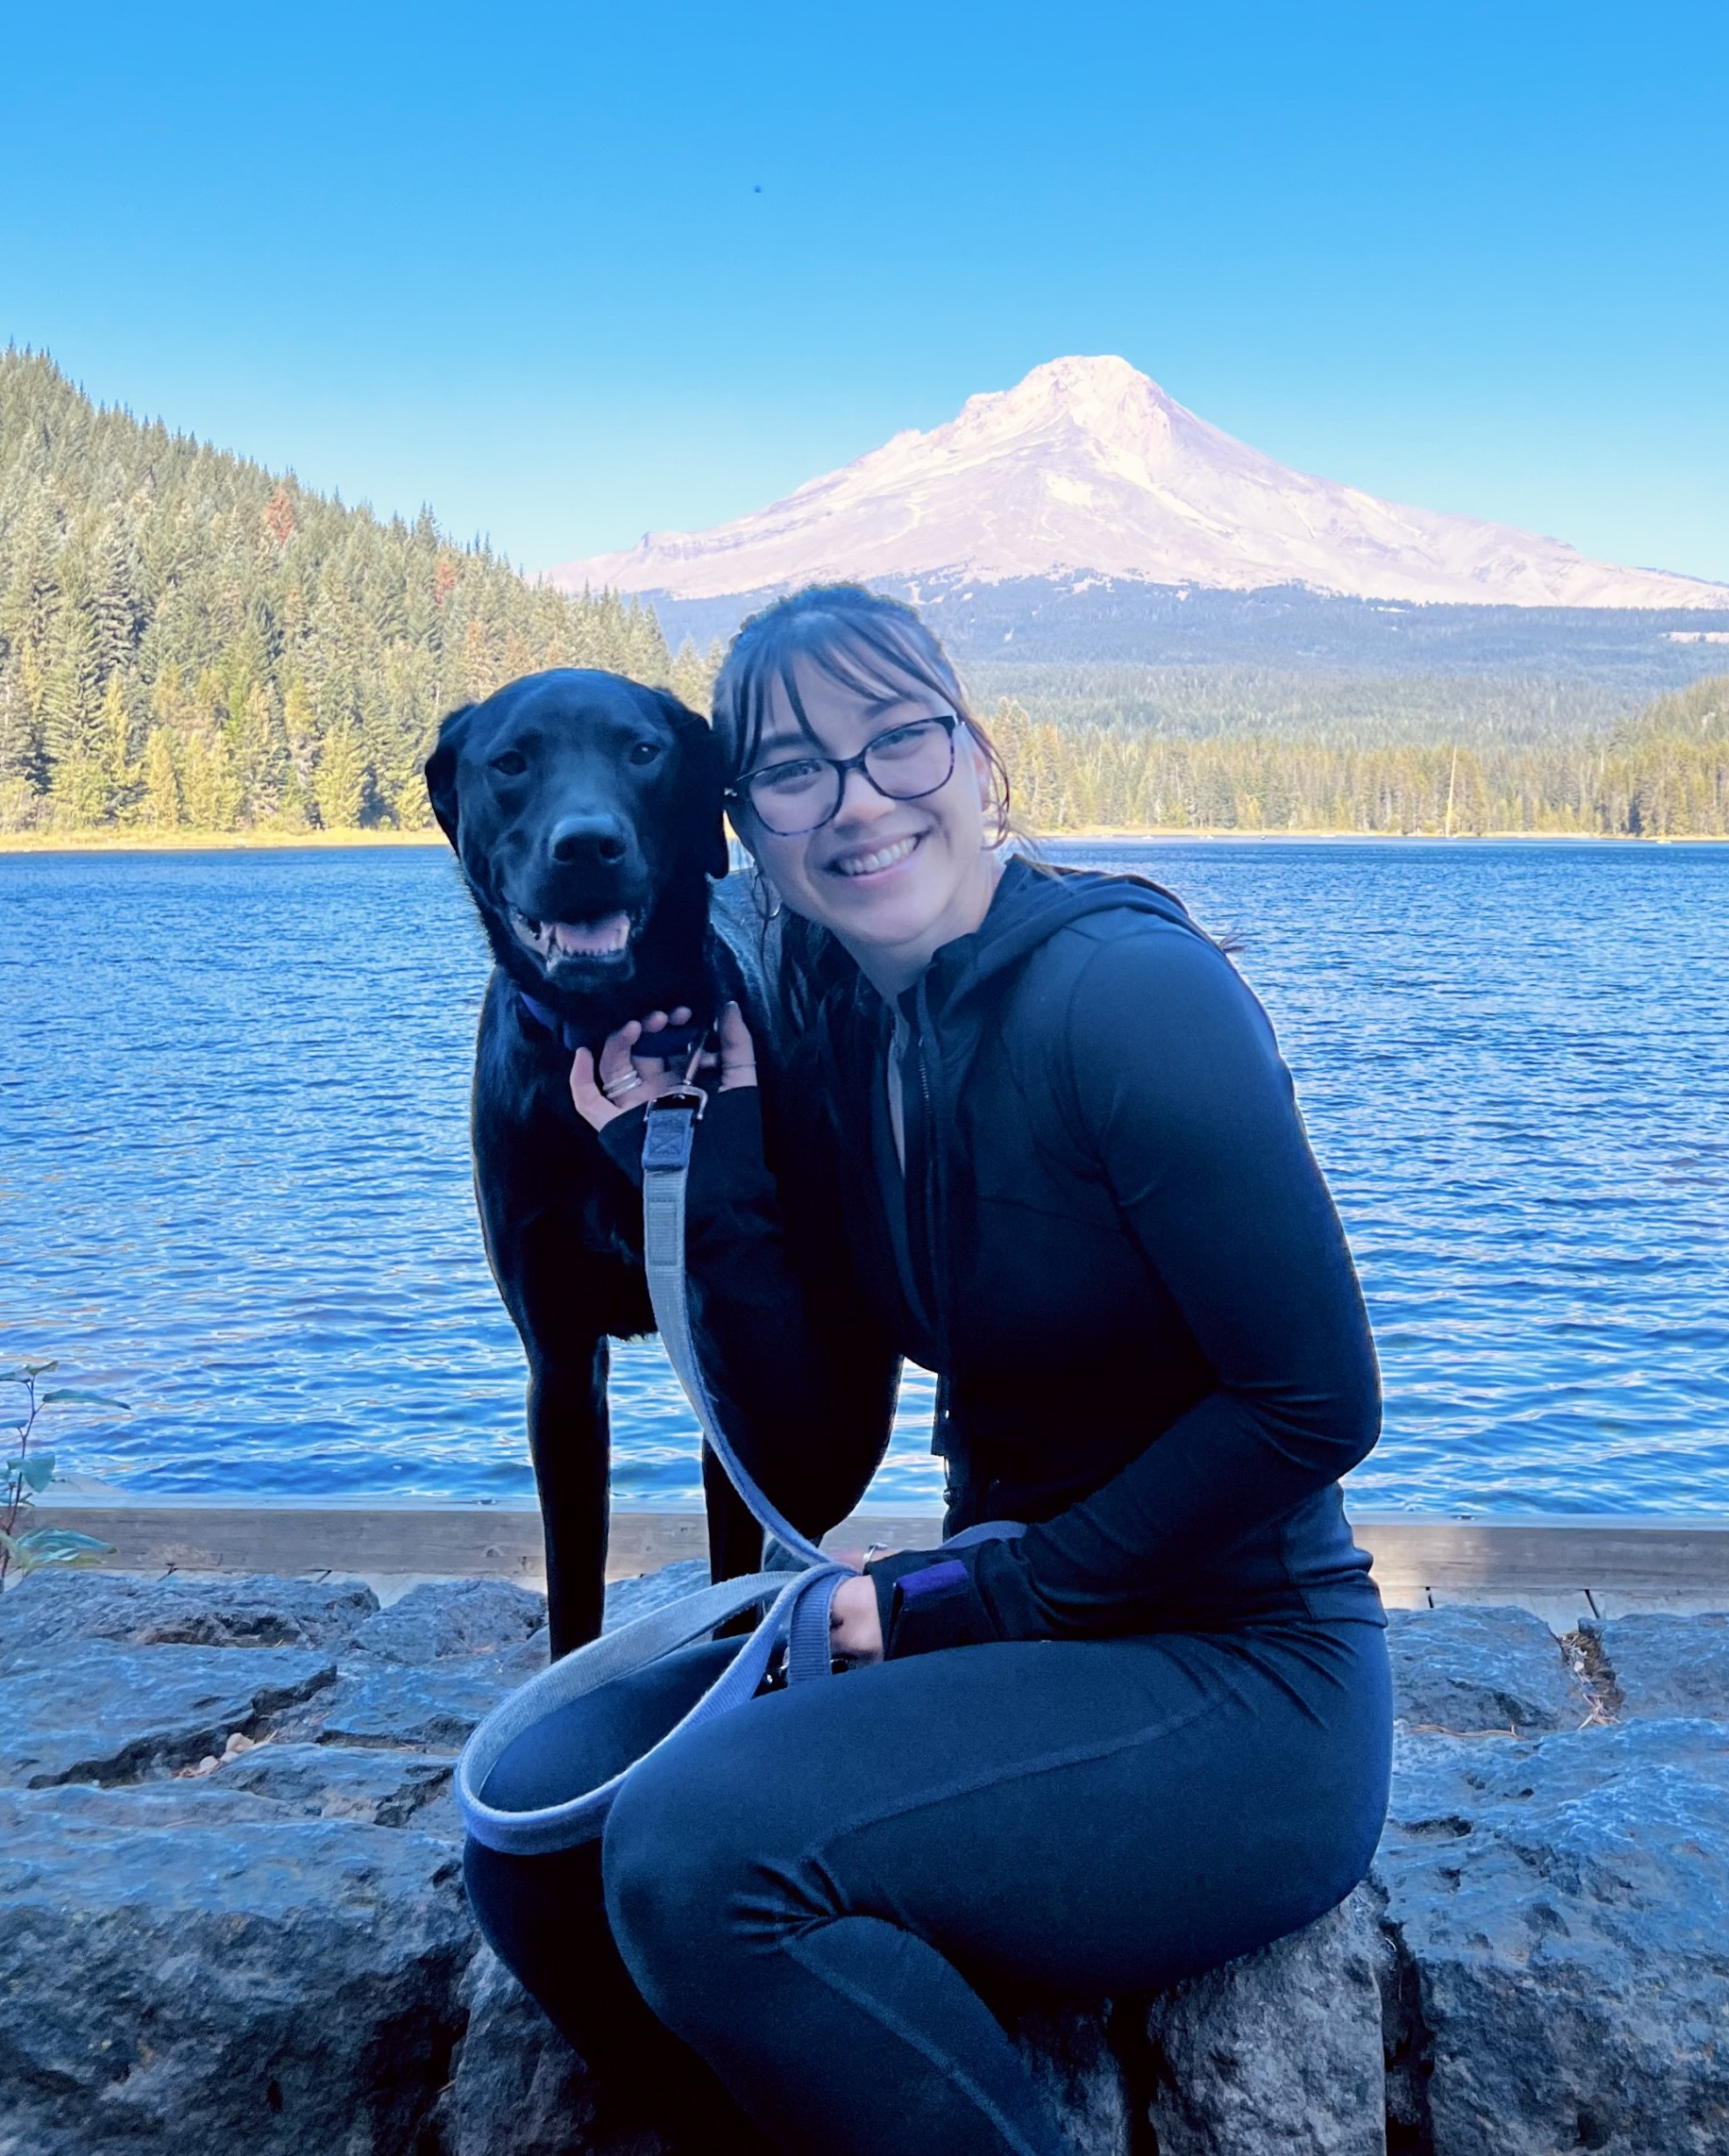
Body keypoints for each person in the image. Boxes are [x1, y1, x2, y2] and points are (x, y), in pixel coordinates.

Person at [462, 584, 1393, 2156]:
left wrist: (961, 1596)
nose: (860, 798)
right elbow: (815, 1466)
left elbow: (1317, 1407)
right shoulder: (833, 1014)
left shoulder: (1128, 997)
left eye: (898, 740)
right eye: (799, 769)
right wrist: (719, 1169)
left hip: (1239, 1673)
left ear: (974, 755)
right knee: (530, 1840)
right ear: (744, 823)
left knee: (700, 1855)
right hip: (1011, 1635)